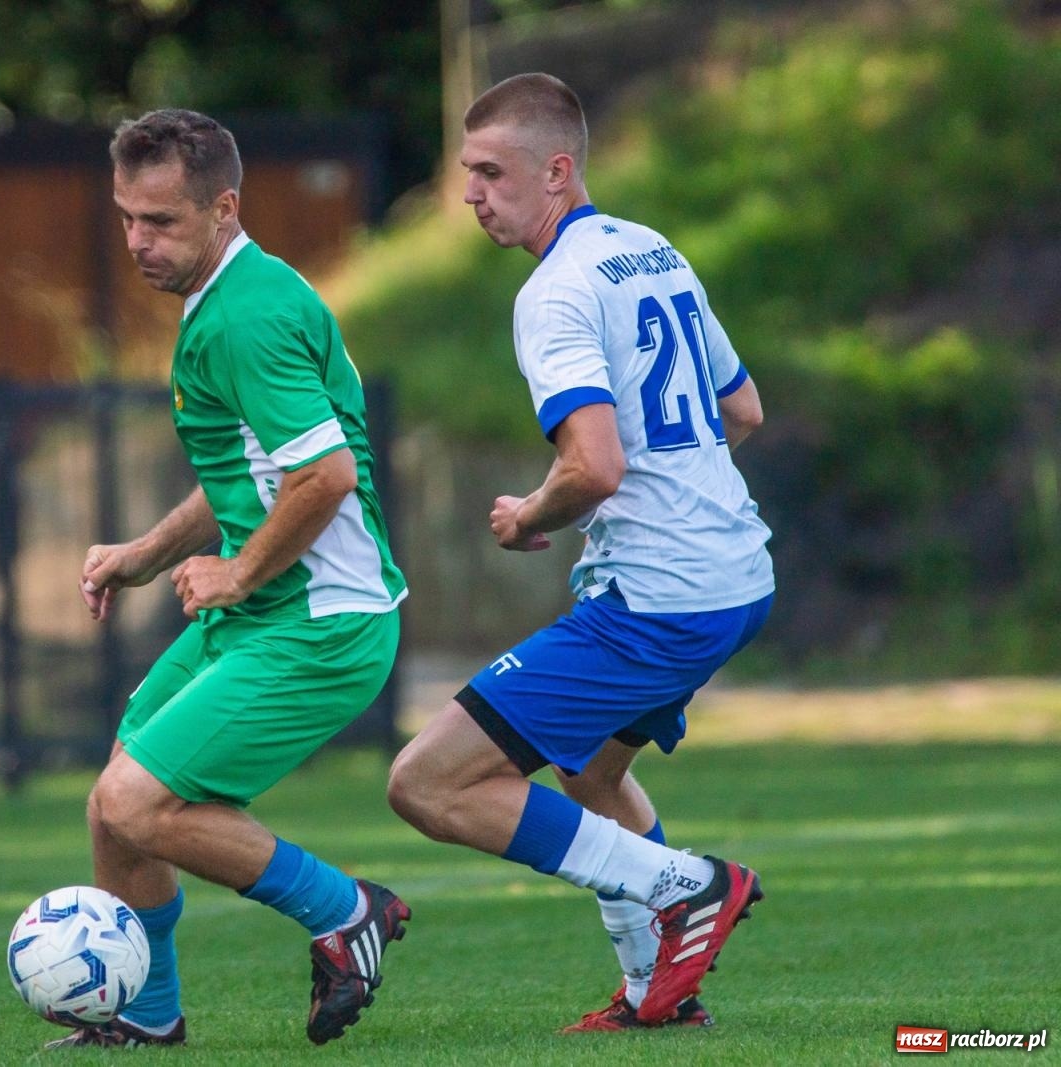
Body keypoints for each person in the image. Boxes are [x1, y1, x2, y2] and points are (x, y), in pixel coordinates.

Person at [386, 73, 775, 1032]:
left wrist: (529, 513)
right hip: (734, 574)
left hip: (659, 598)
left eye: (489, 172)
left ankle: (686, 886)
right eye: (464, 173)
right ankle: (658, 992)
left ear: (557, 171)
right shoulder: (652, 250)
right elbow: (744, 410)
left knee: (427, 783)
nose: (471, 195)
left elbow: (592, 465)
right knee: (592, 773)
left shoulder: (553, 290)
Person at [50, 108, 411, 1050]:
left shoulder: (246, 318)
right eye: (127, 217)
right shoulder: (228, 299)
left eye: (161, 221)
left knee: (140, 800)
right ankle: (146, 1014)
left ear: (224, 208)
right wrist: (145, 554)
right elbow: (252, 477)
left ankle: (346, 910)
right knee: (112, 809)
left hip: (322, 622)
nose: (138, 240)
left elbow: (323, 477)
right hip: (267, 612)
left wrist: (240, 570)